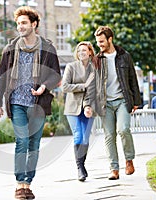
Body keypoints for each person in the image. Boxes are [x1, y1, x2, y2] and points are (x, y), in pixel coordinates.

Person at [0, 6, 61, 199]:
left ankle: (27, 184)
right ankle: (19, 185)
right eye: (18, 23)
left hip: (38, 104)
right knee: (21, 141)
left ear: (34, 24)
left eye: (24, 23)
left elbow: (56, 76)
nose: (20, 26)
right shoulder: (10, 48)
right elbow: (2, 78)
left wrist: (43, 87)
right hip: (17, 102)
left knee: (34, 145)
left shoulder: (47, 48)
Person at [84, 26, 142, 180]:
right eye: (97, 42)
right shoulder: (96, 60)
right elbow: (91, 85)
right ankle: (114, 169)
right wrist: (87, 105)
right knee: (109, 135)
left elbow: (132, 79)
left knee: (123, 130)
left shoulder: (125, 56)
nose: (99, 45)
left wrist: (136, 101)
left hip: (123, 99)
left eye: (102, 41)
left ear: (110, 39)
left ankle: (129, 160)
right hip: (105, 103)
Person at [61, 41, 95, 182]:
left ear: (90, 52)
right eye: (79, 50)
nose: (81, 52)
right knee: (78, 136)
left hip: (89, 107)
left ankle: (83, 163)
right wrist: (83, 86)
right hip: (73, 107)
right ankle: (79, 168)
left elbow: (94, 88)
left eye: (84, 50)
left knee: (86, 138)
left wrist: (89, 105)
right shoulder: (71, 66)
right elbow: (64, 86)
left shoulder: (95, 68)